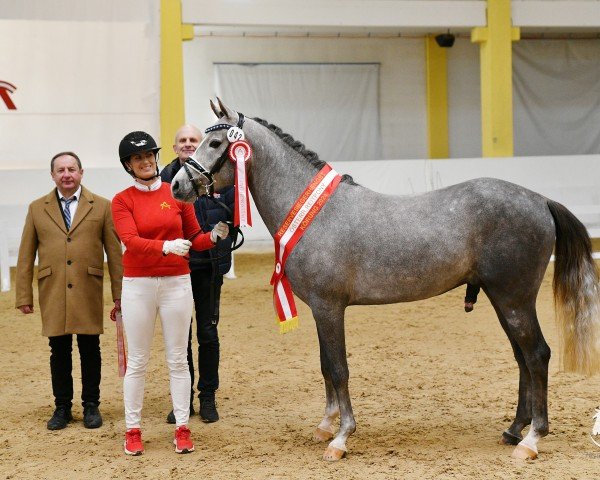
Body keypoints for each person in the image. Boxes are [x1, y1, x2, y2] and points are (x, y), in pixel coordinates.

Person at [111, 131, 229, 456]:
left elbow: (193, 237)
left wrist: (214, 237)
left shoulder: (176, 193)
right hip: (139, 285)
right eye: (138, 158)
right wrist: (166, 246)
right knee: (137, 361)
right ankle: (132, 429)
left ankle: (182, 427)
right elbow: (131, 241)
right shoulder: (122, 200)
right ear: (128, 165)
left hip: (178, 283)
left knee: (178, 358)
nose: (146, 161)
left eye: (149, 155)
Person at [15, 151, 123, 431]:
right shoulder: (37, 208)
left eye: (72, 169)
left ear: (81, 172)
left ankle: (91, 405)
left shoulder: (101, 206)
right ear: (52, 175)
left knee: (90, 348)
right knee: (58, 350)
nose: (66, 174)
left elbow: (114, 254)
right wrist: (23, 295)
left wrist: (119, 294)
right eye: (61, 170)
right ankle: (62, 407)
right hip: (52, 290)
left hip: (88, 287)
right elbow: (26, 256)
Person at [160, 124, 235, 424]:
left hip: (210, 266)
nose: (189, 144)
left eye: (193, 139)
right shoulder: (165, 181)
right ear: (175, 146)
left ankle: (208, 396)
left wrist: (222, 244)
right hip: (176, 269)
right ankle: (183, 398)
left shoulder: (220, 178)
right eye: (183, 140)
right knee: (179, 336)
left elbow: (233, 217)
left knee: (207, 333)